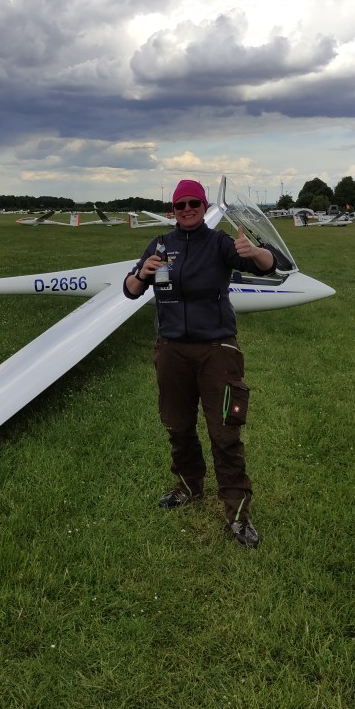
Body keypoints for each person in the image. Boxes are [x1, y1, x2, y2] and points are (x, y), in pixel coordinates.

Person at [123, 178, 276, 548]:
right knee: (177, 426)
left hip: (216, 350)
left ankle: (238, 514)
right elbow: (130, 290)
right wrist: (142, 273)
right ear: (173, 210)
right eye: (181, 205)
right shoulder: (160, 244)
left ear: (204, 207)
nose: (188, 209)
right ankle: (189, 486)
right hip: (172, 350)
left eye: (194, 203)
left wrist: (255, 252)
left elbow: (268, 265)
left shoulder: (220, 242)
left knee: (224, 432)